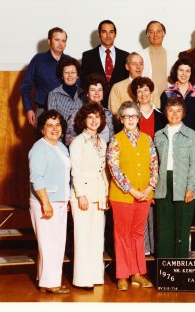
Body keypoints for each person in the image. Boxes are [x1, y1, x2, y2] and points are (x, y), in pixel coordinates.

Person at [107, 101, 158, 291]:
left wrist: (149, 187)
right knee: (122, 236)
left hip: (144, 195)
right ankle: (122, 275)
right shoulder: (115, 140)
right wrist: (132, 190)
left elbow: (154, 165)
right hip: (123, 196)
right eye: (126, 116)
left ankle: (138, 273)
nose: (130, 120)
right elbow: (114, 168)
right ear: (121, 119)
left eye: (133, 116)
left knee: (138, 235)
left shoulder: (147, 139)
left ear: (138, 118)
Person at [28, 110, 70, 294]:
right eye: (50, 125)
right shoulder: (38, 148)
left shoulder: (61, 146)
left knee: (57, 243)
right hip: (45, 202)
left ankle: (45, 280)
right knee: (48, 244)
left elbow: (64, 176)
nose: (55, 129)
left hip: (60, 200)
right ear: (42, 128)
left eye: (58, 125)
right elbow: (36, 178)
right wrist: (45, 203)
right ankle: (51, 283)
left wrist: (66, 198)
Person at [154, 96, 195, 258]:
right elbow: (154, 165)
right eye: (171, 110)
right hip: (163, 185)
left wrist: (190, 188)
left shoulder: (191, 135)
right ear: (165, 112)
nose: (174, 114)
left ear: (184, 113)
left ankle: (180, 270)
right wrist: (154, 188)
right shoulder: (158, 135)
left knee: (181, 229)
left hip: (183, 185)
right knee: (164, 229)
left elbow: (193, 165)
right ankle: (165, 271)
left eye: (178, 111)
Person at [69, 103, 109, 290]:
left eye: (97, 117)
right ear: (84, 119)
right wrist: (80, 195)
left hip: (98, 192)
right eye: (90, 117)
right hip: (82, 193)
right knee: (83, 236)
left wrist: (105, 194)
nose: (94, 121)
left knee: (96, 236)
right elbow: (75, 170)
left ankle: (95, 275)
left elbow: (103, 172)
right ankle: (82, 279)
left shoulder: (101, 142)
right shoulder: (78, 142)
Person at [130, 76, 167, 256]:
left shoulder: (161, 116)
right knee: (139, 208)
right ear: (135, 94)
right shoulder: (130, 116)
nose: (143, 94)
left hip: (156, 169)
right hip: (136, 168)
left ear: (151, 92)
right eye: (139, 90)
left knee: (155, 209)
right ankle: (142, 250)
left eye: (146, 90)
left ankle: (155, 249)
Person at [21, 27, 70, 127]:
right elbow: (26, 86)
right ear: (49, 41)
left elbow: (78, 87)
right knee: (41, 142)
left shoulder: (70, 61)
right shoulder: (38, 59)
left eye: (63, 41)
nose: (61, 43)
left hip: (66, 112)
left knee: (66, 142)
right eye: (57, 40)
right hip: (42, 111)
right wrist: (29, 109)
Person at [81, 20, 129, 106]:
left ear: (115, 34)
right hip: (95, 106)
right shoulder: (88, 56)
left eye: (111, 32)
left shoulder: (125, 56)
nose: (108, 36)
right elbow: (84, 82)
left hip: (120, 105)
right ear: (99, 34)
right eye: (104, 32)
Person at [160, 57, 195, 132]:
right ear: (176, 71)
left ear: (191, 73)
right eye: (181, 70)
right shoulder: (167, 93)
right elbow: (163, 119)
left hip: (194, 135)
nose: (184, 74)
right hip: (173, 134)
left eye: (187, 71)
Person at [47, 57, 83, 146]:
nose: (70, 75)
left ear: (77, 75)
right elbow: (53, 121)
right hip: (60, 138)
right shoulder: (53, 95)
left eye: (73, 72)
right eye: (66, 72)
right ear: (62, 76)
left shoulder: (85, 94)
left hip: (81, 138)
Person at [139, 20, 178, 94]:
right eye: (151, 32)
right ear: (147, 35)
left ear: (163, 34)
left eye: (158, 32)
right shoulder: (139, 55)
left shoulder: (174, 56)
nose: (155, 35)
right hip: (146, 97)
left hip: (169, 98)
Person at [83, 73, 115, 144]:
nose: (97, 93)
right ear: (87, 93)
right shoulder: (80, 113)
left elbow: (113, 139)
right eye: (93, 90)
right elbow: (70, 140)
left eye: (100, 90)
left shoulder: (108, 114)